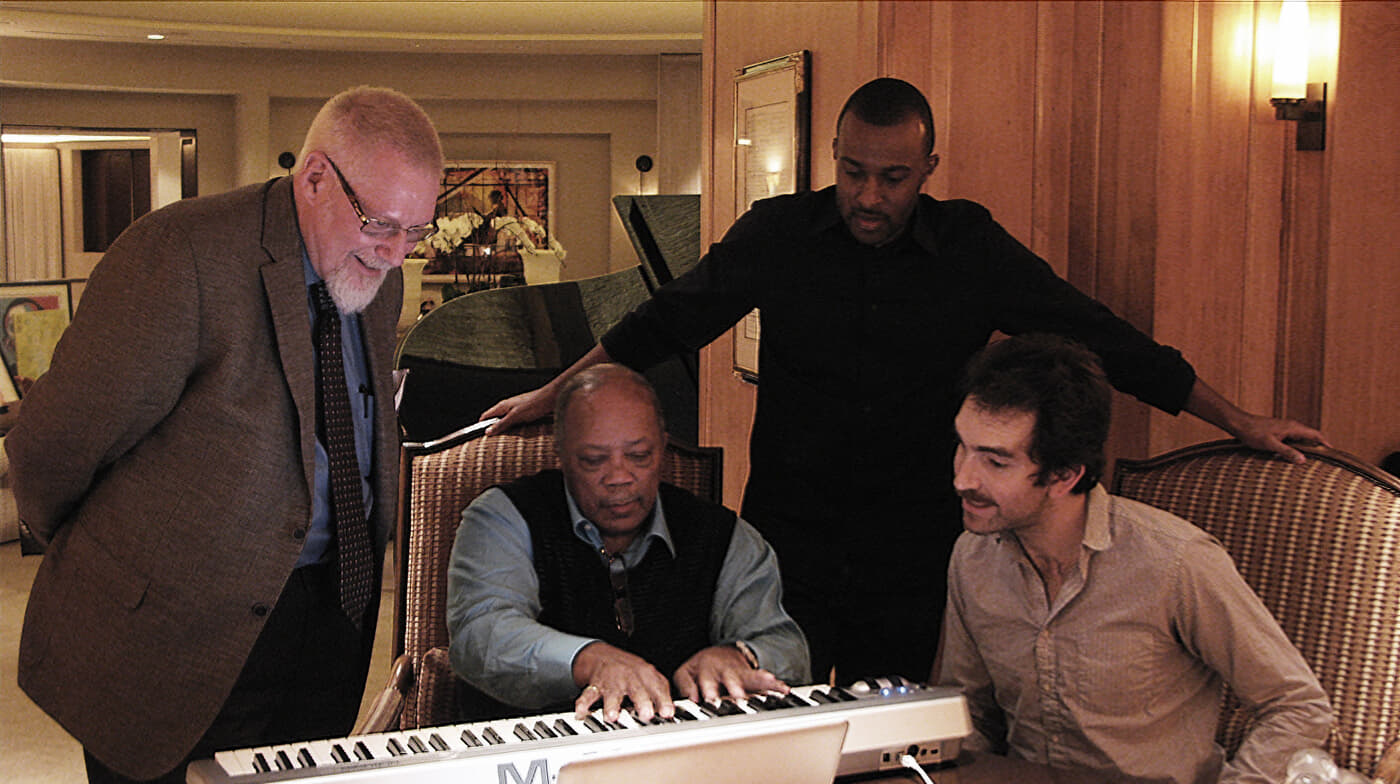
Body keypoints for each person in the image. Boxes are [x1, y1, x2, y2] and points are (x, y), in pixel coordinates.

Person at [479, 77, 1326, 686]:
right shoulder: (780, 235)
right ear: (834, 156)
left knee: (899, 737)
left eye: (892, 177)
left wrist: (1239, 416)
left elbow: (1100, 334)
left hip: (918, 552)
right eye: (853, 172)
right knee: (777, 731)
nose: (869, 196)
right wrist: (553, 395)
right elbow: (656, 326)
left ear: (927, 167)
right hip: (790, 550)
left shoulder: (971, 247)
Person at [8, 86, 443, 783]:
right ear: (315, 179)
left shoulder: (375, 276)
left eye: (418, 231)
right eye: (381, 224)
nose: (396, 254)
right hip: (178, 635)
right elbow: (51, 448)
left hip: (329, 618)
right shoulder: (181, 254)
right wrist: (104, 558)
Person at [937, 334, 1332, 783]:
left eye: (995, 462)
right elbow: (968, 716)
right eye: (962, 447)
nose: (963, 478)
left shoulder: (1176, 562)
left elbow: (1298, 706)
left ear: (1065, 475)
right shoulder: (972, 557)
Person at [447, 363, 810, 723]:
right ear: (561, 455)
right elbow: (481, 635)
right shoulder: (504, 517)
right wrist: (590, 660)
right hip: (530, 764)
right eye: (593, 460)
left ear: (663, 449)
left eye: (639, 456)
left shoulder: (722, 535)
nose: (619, 477)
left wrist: (740, 655)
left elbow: (787, 646)